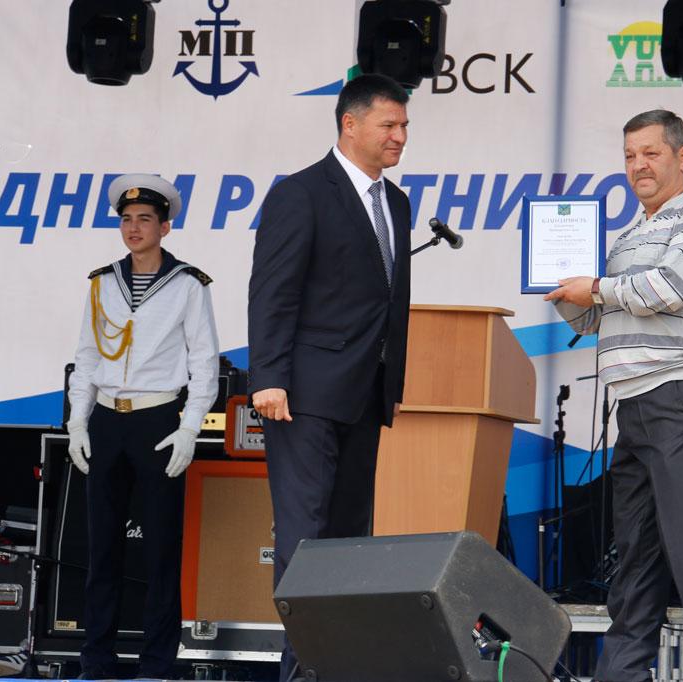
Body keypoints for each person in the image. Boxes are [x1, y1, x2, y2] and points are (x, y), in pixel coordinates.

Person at [545, 109, 683, 682]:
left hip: (680, 397)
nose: (638, 166)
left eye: (651, 153)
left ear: (682, 157)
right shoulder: (631, 233)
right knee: (635, 558)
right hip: (633, 404)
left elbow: (670, 289)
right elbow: (596, 319)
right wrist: (558, 286)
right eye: (630, 156)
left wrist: (595, 287)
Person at [247, 73, 412, 682]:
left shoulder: (397, 203)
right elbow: (273, 291)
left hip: (365, 395)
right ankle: (302, 671)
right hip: (304, 396)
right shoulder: (301, 193)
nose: (400, 137)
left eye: (404, 127)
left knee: (348, 542)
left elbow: (386, 302)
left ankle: (337, 668)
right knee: (304, 539)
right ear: (350, 123)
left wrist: (390, 382)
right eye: (388, 125)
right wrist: (268, 377)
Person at [66, 174, 219, 679]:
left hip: (158, 420)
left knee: (160, 550)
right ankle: (96, 660)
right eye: (127, 220)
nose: (134, 228)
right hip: (108, 419)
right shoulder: (102, 281)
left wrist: (189, 426)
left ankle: (156, 664)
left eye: (145, 220)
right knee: (101, 549)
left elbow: (204, 362)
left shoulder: (188, 284)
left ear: (165, 227)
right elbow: (87, 357)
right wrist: (78, 421)